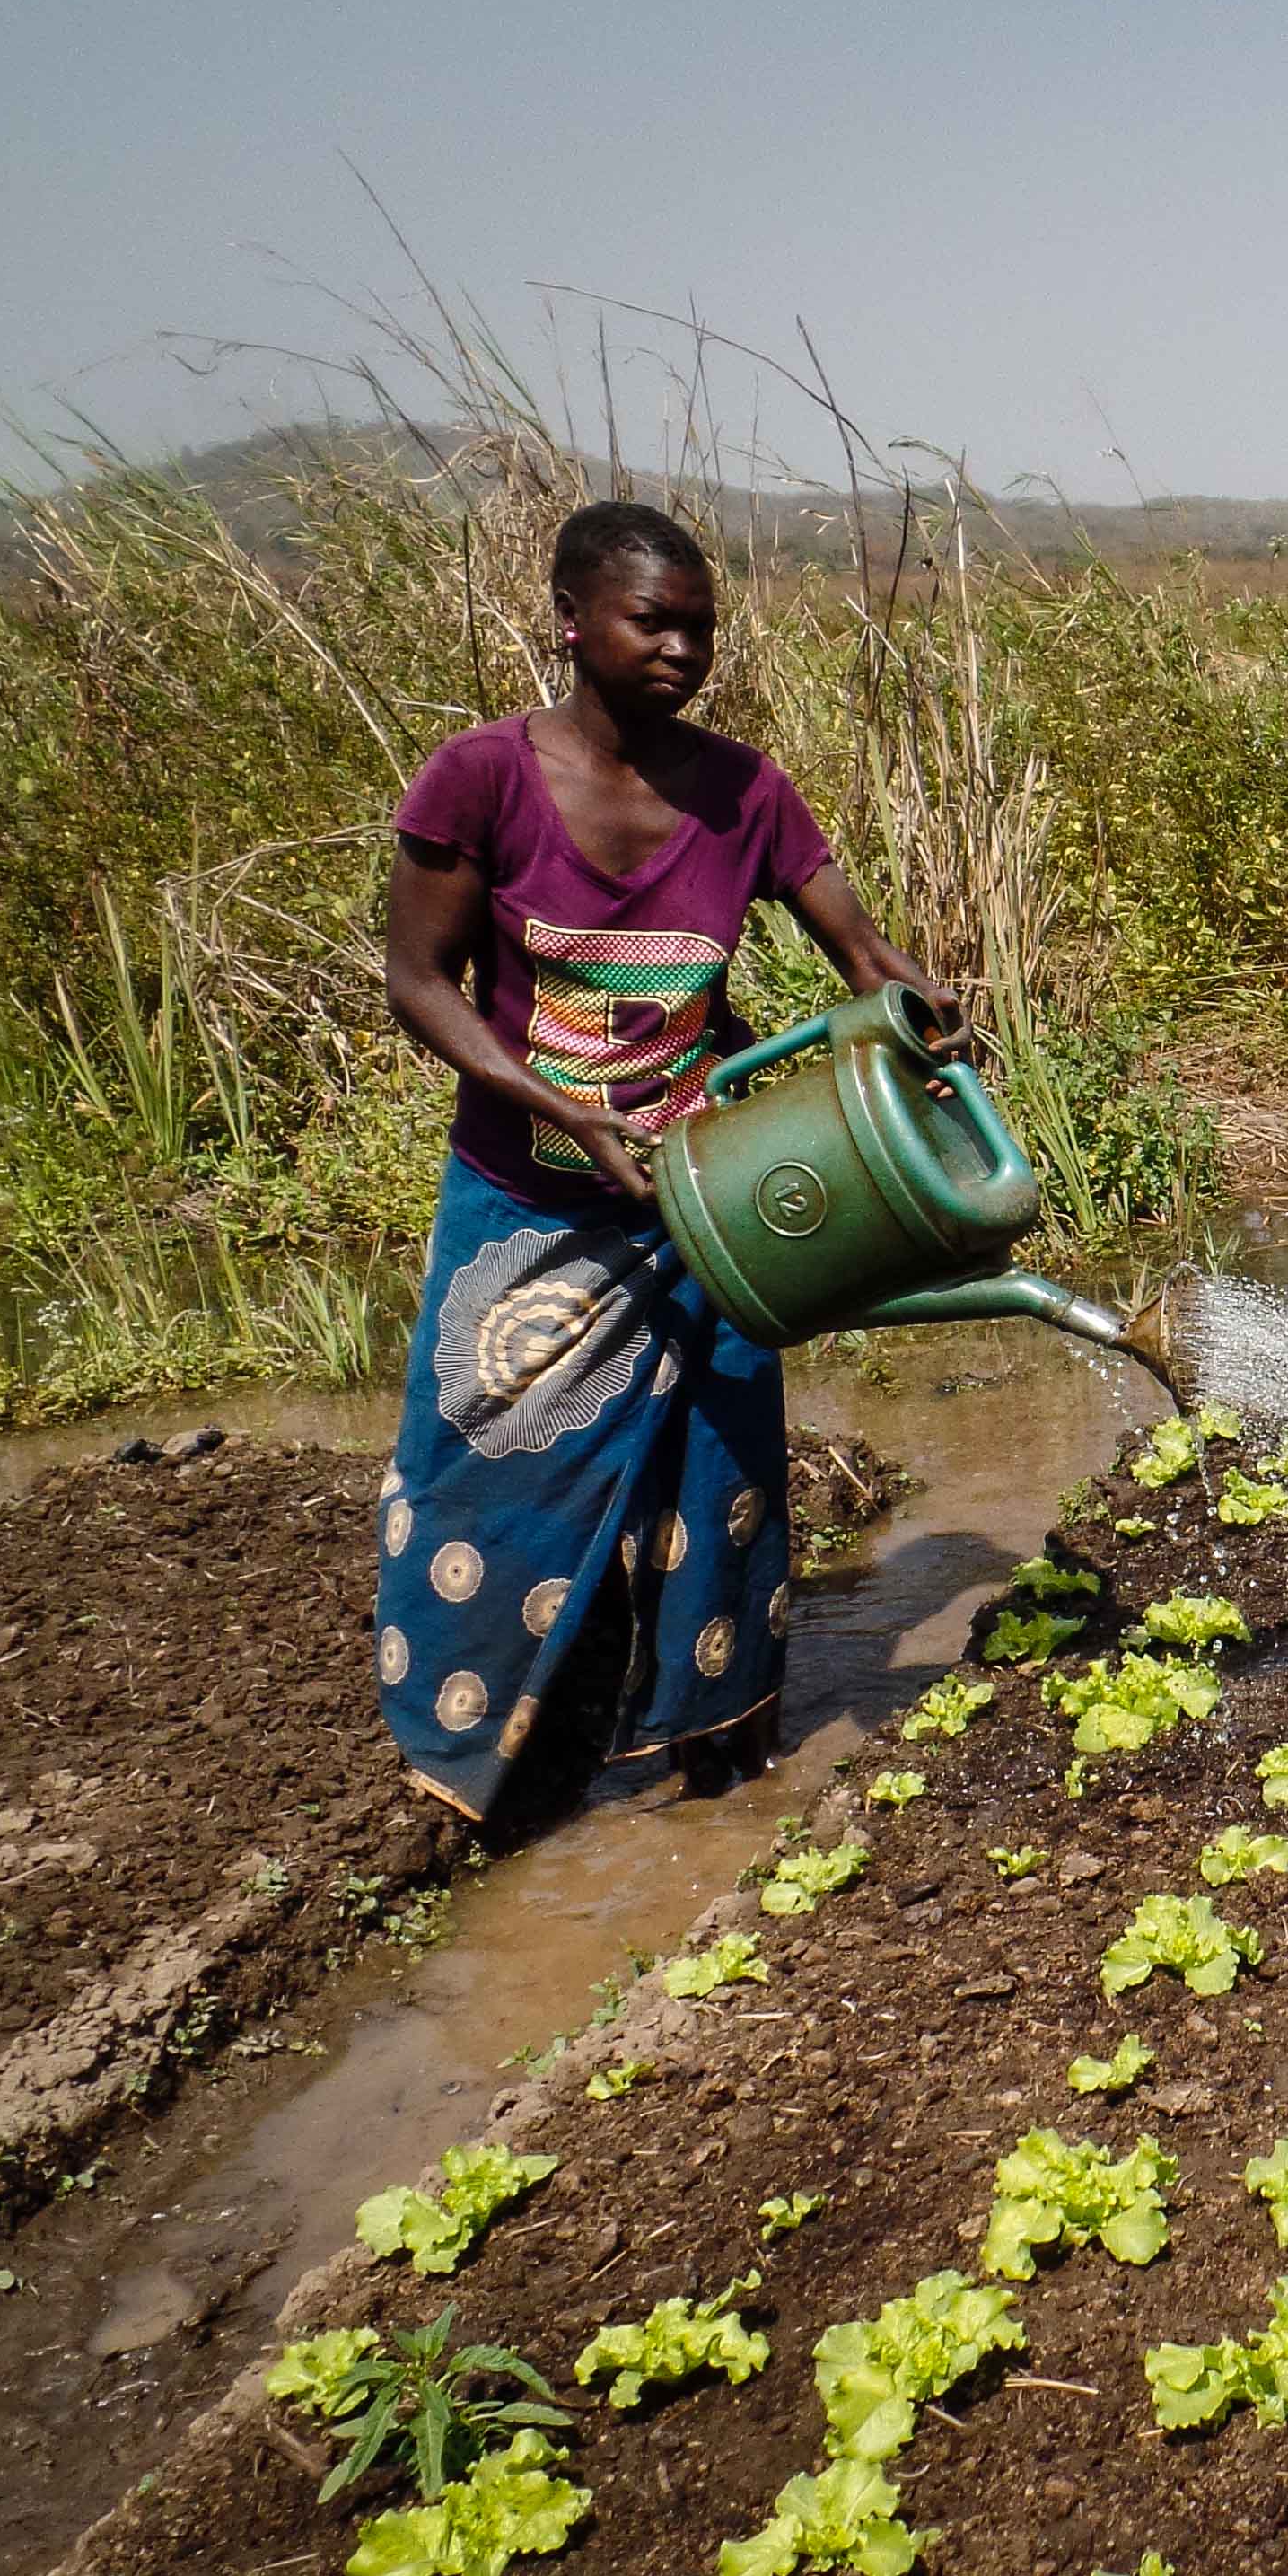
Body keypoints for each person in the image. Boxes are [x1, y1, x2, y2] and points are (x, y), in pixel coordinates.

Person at [372, 499, 956, 1820]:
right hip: (531, 1197)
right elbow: (418, 982)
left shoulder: (745, 791)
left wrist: (918, 1008)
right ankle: (465, 1758)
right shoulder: (481, 779)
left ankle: (709, 1754)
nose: (684, 649)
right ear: (571, 620)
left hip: (708, 1193)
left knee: (721, 1473)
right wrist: (555, 1104)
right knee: (487, 1462)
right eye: (654, 622)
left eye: (700, 626)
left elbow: (860, 954)